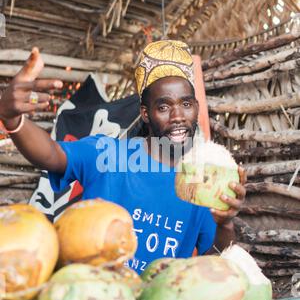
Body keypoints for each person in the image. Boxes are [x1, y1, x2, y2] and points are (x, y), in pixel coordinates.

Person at [0, 41, 246, 274]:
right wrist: (12, 120)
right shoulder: (107, 154)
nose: (177, 116)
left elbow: (215, 260)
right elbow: (51, 154)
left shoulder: (199, 184)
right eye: (163, 107)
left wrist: (225, 224)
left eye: (186, 104)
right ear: (146, 114)